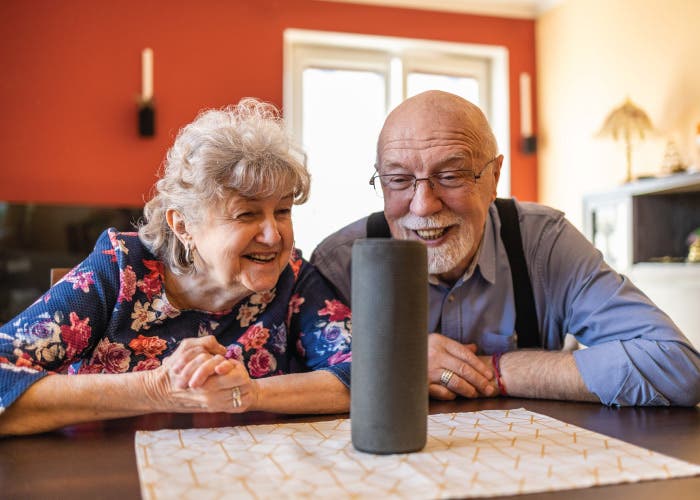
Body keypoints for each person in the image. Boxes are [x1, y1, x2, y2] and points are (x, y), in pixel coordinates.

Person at [311, 90, 700, 407]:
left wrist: (494, 370)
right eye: (398, 180)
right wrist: (400, 362)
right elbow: (301, 383)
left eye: (451, 175)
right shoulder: (339, 263)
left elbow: (677, 366)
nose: (422, 205)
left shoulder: (544, 243)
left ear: (493, 177)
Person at [0, 98, 352, 436]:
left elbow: (368, 375)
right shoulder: (121, 268)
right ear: (183, 225)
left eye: (282, 211)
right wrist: (158, 388)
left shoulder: (293, 279)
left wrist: (251, 394)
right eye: (246, 214)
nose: (273, 236)